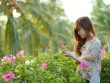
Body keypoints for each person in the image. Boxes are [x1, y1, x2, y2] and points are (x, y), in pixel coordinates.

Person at [62, 16, 102, 83]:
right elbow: (83, 62)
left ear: (86, 27)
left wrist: (72, 55)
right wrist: (75, 57)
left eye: (79, 29)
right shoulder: (84, 42)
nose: (78, 33)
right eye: (77, 30)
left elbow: (90, 59)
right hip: (82, 77)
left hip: (92, 79)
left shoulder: (96, 42)